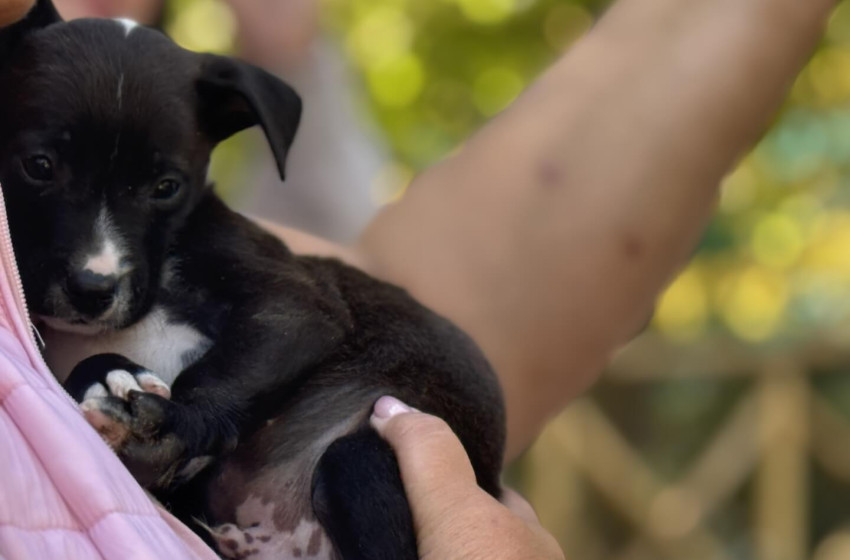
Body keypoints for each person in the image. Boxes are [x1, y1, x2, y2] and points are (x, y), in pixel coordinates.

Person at [0, 0, 837, 558]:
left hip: (347, 450)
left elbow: (369, 298)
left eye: (157, 187)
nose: (96, 258)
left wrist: (192, 423)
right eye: (43, 166)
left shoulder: (217, 252)